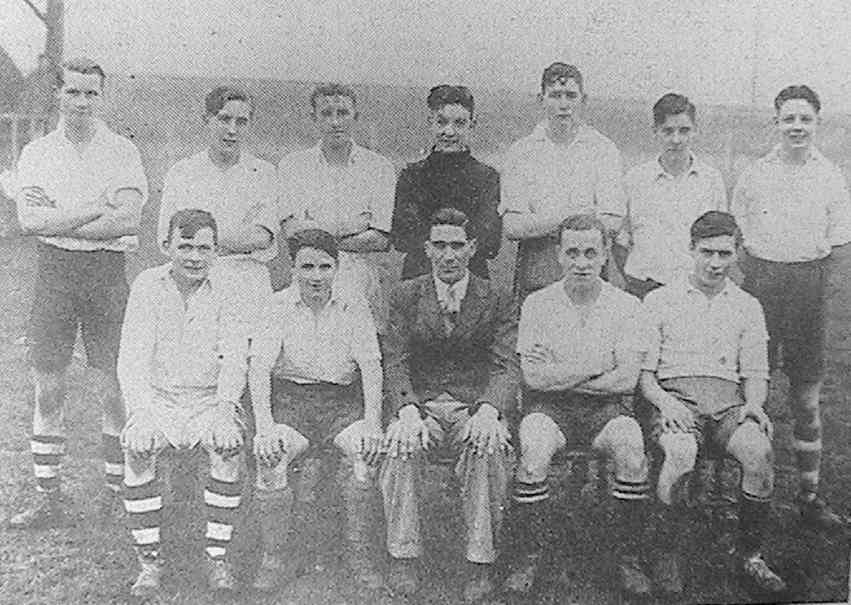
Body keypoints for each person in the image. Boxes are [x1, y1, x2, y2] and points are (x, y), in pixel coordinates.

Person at [10, 57, 148, 528]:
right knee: (48, 387)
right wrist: (94, 208)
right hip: (55, 273)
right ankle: (48, 497)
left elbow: (129, 220)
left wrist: (63, 216)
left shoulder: (122, 151)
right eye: (74, 92)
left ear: (102, 97)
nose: (83, 102)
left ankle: (116, 494)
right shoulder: (37, 152)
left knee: (114, 387)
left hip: (106, 274)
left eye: (92, 93)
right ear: (58, 95)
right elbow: (30, 222)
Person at [505, 214, 651, 598]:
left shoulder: (626, 305)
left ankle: (629, 556)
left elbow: (627, 380)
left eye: (590, 252)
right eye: (572, 252)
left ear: (605, 255)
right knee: (533, 453)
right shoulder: (537, 303)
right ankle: (529, 554)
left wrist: (562, 371)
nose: (581, 262)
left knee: (632, 451)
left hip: (609, 411)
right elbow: (533, 379)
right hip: (550, 409)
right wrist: (596, 365)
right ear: (558, 255)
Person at [640, 211, 785, 595]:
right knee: (681, 452)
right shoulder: (660, 300)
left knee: (760, 453)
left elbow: (756, 371)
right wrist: (665, 403)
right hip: (675, 398)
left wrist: (754, 403)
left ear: (737, 253)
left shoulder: (748, 305)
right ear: (691, 249)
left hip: (727, 403)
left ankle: (750, 556)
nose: (716, 263)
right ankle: (666, 552)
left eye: (725, 253)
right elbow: (645, 375)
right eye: (707, 253)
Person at [380, 207, 518, 603]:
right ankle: (403, 556)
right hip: (421, 406)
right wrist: (406, 409)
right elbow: (395, 359)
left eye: (457, 245)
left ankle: (480, 561)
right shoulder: (407, 294)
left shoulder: (496, 298)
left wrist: (491, 409)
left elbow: (506, 362)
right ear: (426, 249)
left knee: (487, 446)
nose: (449, 255)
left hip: (472, 405)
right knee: (400, 445)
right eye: (439, 245)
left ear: (473, 248)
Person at [732, 85, 851, 528]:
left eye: (805, 119)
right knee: (747, 391)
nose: (797, 127)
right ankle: (734, 489)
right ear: (776, 122)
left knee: (805, 399)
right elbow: (739, 238)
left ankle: (810, 495)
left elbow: (839, 245)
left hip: (807, 288)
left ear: (817, 123)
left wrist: (816, 290)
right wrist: (760, 275)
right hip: (763, 285)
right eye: (789, 119)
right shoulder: (755, 173)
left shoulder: (830, 176)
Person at [247, 228, 385, 592]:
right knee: (271, 455)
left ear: (337, 268)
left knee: (364, 453)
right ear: (293, 268)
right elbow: (259, 368)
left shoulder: (354, 304)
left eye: (325, 266)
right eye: (307, 267)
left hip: (341, 402)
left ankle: (360, 556)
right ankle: (274, 557)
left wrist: (372, 423)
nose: (316, 276)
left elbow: (371, 367)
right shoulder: (276, 305)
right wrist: (264, 426)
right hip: (292, 403)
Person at [118, 209, 247, 597]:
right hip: (159, 399)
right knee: (138, 452)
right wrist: (140, 415)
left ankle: (216, 555)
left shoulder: (229, 288)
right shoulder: (147, 285)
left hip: (209, 400)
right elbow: (132, 357)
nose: (194, 257)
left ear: (216, 250)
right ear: (166, 246)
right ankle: (149, 561)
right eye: (185, 246)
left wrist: (225, 411)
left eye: (203, 248)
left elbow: (235, 357)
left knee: (227, 449)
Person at [157, 85, 278, 335]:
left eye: (241, 122)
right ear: (207, 120)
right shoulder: (182, 172)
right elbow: (169, 239)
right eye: (224, 119)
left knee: (246, 361)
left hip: (248, 283)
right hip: (195, 280)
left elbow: (262, 237)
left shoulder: (264, 173)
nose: (232, 130)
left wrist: (202, 238)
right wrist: (238, 236)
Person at [500, 62, 626, 298]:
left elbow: (612, 221)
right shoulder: (521, 152)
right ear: (541, 99)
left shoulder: (603, 149)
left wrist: (540, 223)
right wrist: (574, 216)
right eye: (555, 96)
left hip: (590, 271)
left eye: (571, 96)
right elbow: (513, 226)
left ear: (583, 99)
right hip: (538, 273)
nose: (564, 105)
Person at [278, 83, 396, 333]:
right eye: (326, 114)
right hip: (309, 279)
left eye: (342, 113)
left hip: (360, 281)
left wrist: (316, 232)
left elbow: (379, 239)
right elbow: (292, 233)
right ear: (314, 118)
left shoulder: (379, 167)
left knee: (361, 359)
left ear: (355, 116)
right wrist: (355, 225)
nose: (335, 122)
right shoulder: (293, 166)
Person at [619, 93, 727, 298]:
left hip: (694, 289)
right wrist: (635, 278)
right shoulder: (635, 179)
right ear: (655, 132)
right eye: (668, 131)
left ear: (695, 131)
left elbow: (721, 240)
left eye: (684, 130)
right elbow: (621, 240)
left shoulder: (711, 179)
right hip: (643, 287)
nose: (676, 139)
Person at [390, 85, 501, 280]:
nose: (448, 132)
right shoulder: (412, 175)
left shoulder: (486, 177)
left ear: (472, 125)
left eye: (459, 123)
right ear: (430, 122)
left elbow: (489, 242)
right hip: (420, 277)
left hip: (472, 279)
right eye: (441, 122)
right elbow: (403, 238)